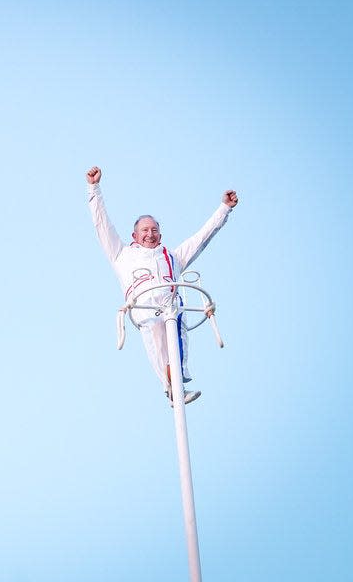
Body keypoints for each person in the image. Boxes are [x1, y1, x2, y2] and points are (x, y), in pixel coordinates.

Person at [85, 166, 238, 405]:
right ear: (134, 235)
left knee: (176, 338)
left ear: (161, 235)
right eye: (144, 230)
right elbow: (102, 225)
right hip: (146, 308)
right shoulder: (121, 255)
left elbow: (203, 237)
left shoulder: (172, 257)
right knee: (158, 342)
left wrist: (224, 208)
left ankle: (175, 387)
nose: (150, 234)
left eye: (154, 230)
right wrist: (94, 188)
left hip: (170, 306)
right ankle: (171, 387)